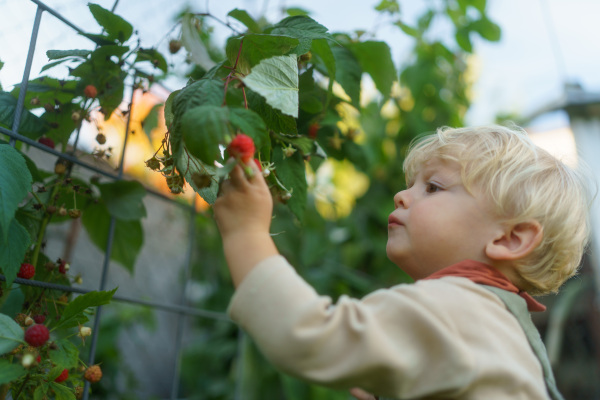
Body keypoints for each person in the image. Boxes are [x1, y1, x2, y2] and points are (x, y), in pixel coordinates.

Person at [213, 124, 592, 399]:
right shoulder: (505, 330)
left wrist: (245, 233)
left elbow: (308, 336)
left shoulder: (458, 307)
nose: (400, 195)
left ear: (509, 238)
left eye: (433, 187)